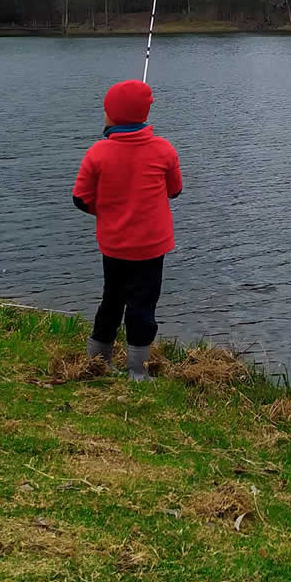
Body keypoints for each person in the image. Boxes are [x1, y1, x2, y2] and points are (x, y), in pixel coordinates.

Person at [72, 79, 183, 380]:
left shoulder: (97, 152)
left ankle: (98, 363)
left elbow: (80, 199)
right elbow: (175, 190)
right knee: (143, 307)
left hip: (114, 245)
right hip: (151, 247)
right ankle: (138, 373)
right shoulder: (164, 150)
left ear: (112, 116)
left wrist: (107, 212)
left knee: (111, 301)